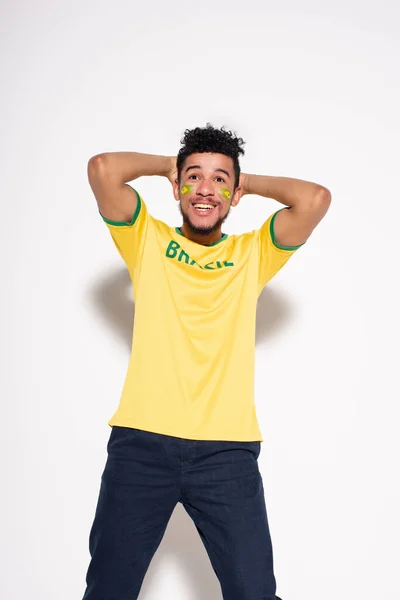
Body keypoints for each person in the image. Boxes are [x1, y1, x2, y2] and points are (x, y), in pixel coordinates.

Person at [82, 123, 331, 600]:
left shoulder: (252, 253)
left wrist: (243, 183)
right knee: (109, 589)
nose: (205, 189)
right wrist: (169, 167)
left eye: (220, 180)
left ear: (234, 194)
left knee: (254, 592)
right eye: (194, 177)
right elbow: (102, 170)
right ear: (177, 186)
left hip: (226, 451)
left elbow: (315, 198)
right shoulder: (146, 240)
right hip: (142, 444)